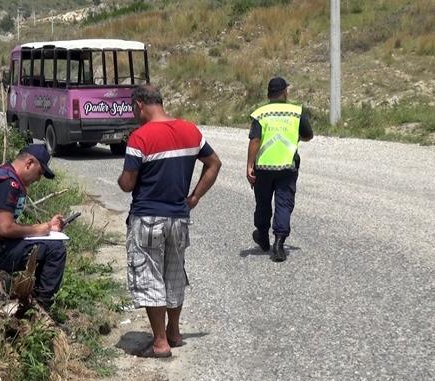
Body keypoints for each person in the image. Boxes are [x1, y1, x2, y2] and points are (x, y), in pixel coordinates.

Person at [117, 84, 222, 358]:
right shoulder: (190, 130)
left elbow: (128, 184)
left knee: (150, 275)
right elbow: (214, 164)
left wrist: (123, 178)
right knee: (174, 273)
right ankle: (174, 332)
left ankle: (160, 342)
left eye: (133, 108)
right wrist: (195, 196)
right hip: (179, 217)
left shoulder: (139, 137)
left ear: (139, 105)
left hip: (148, 217)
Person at [0, 144, 66, 310]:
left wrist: (48, 228)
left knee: (48, 244)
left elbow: (4, 226)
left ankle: (33, 299)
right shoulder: (9, 184)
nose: (38, 179)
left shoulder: (1, 173)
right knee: (55, 249)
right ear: (29, 163)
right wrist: (40, 229)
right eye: (39, 172)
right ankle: (42, 306)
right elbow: (6, 229)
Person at [246, 77, 314, 262]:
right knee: (284, 203)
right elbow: (308, 135)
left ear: (269, 94)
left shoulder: (261, 113)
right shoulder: (296, 112)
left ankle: (262, 235)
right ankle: (279, 243)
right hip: (287, 166)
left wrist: (250, 165)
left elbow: (255, 140)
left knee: (263, 203)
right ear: (285, 92)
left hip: (264, 167)